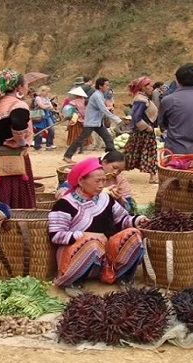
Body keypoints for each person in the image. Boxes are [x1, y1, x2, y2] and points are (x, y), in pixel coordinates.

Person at [48, 157, 149, 295]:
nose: (102, 185)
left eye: (103, 180)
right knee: (93, 244)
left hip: (105, 254)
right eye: (97, 181)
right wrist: (86, 236)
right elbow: (56, 235)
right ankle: (73, 281)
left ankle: (121, 276)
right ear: (81, 181)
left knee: (133, 234)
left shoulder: (105, 199)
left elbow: (122, 220)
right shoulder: (65, 204)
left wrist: (138, 220)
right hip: (77, 254)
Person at [0, 69, 36, 209]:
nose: (28, 87)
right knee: (11, 200)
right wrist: (22, 142)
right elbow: (18, 127)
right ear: (19, 87)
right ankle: (11, 225)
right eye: (26, 84)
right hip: (10, 160)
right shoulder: (18, 105)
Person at [62, 77, 120, 163]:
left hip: (96, 121)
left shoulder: (100, 95)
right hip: (91, 122)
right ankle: (67, 155)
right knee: (81, 139)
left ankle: (111, 156)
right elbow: (103, 109)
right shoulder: (97, 96)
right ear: (100, 86)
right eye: (106, 85)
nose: (108, 87)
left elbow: (100, 108)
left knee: (108, 138)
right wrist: (118, 120)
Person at [56, 151, 134, 212]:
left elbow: (127, 208)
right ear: (104, 162)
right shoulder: (87, 174)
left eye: (120, 171)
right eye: (114, 167)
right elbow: (61, 194)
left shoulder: (120, 181)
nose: (115, 172)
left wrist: (119, 199)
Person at [124, 76, 159, 184]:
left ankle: (115, 169)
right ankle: (153, 177)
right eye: (149, 85)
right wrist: (146, 127)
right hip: (144, 132)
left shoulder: (143, 98)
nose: (152, 87)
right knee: (149, 153)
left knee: (132, 153)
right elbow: (136, 117)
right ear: (143, 88)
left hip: (142, 132)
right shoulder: (140, 100)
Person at [64, 86, 93, 154]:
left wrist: (68, 117)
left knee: (75, 135)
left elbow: (70, 111)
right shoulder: (86, 101)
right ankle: (81, 149)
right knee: (82, 134)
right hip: (84, 119)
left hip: (76, 120)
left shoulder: (73, 102)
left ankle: (73, 149)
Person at [31, 85, 57, 151]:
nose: (47, 93)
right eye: (46, 92)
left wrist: (47, 106)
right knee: (40, 131)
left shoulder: (47, 98)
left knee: (52, 129)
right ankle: (37, 146)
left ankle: (49, 144)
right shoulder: (38, 98)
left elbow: (51, 107)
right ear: (42, 91)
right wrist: (48, 105)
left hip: (47, 115)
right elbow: (42, 106)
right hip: (40, 115)